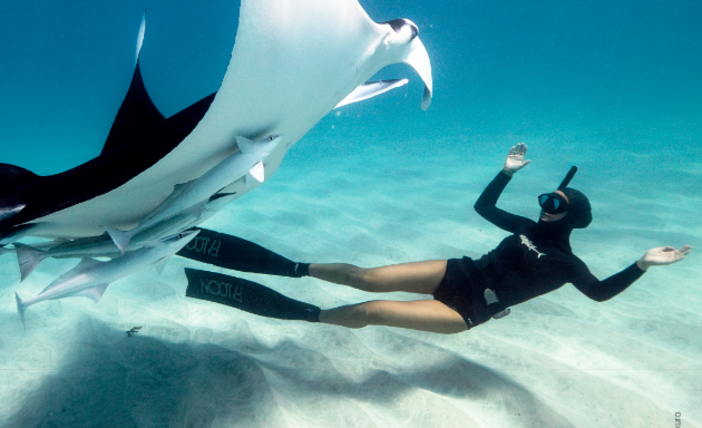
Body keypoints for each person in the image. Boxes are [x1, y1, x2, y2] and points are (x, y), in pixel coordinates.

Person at [180, 144, 691, 334]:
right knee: (364, 278)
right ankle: (293, 269)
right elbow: (484, 208)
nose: (544, 206)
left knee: (367, 312)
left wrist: (641, 265)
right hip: (460, 270)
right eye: (544, 198)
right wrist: (506, 172)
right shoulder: (530, 227)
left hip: (470, 308)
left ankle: (309, 314)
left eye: (554, 203)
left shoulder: (567, 265)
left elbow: (600, 293)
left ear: (571, 217)